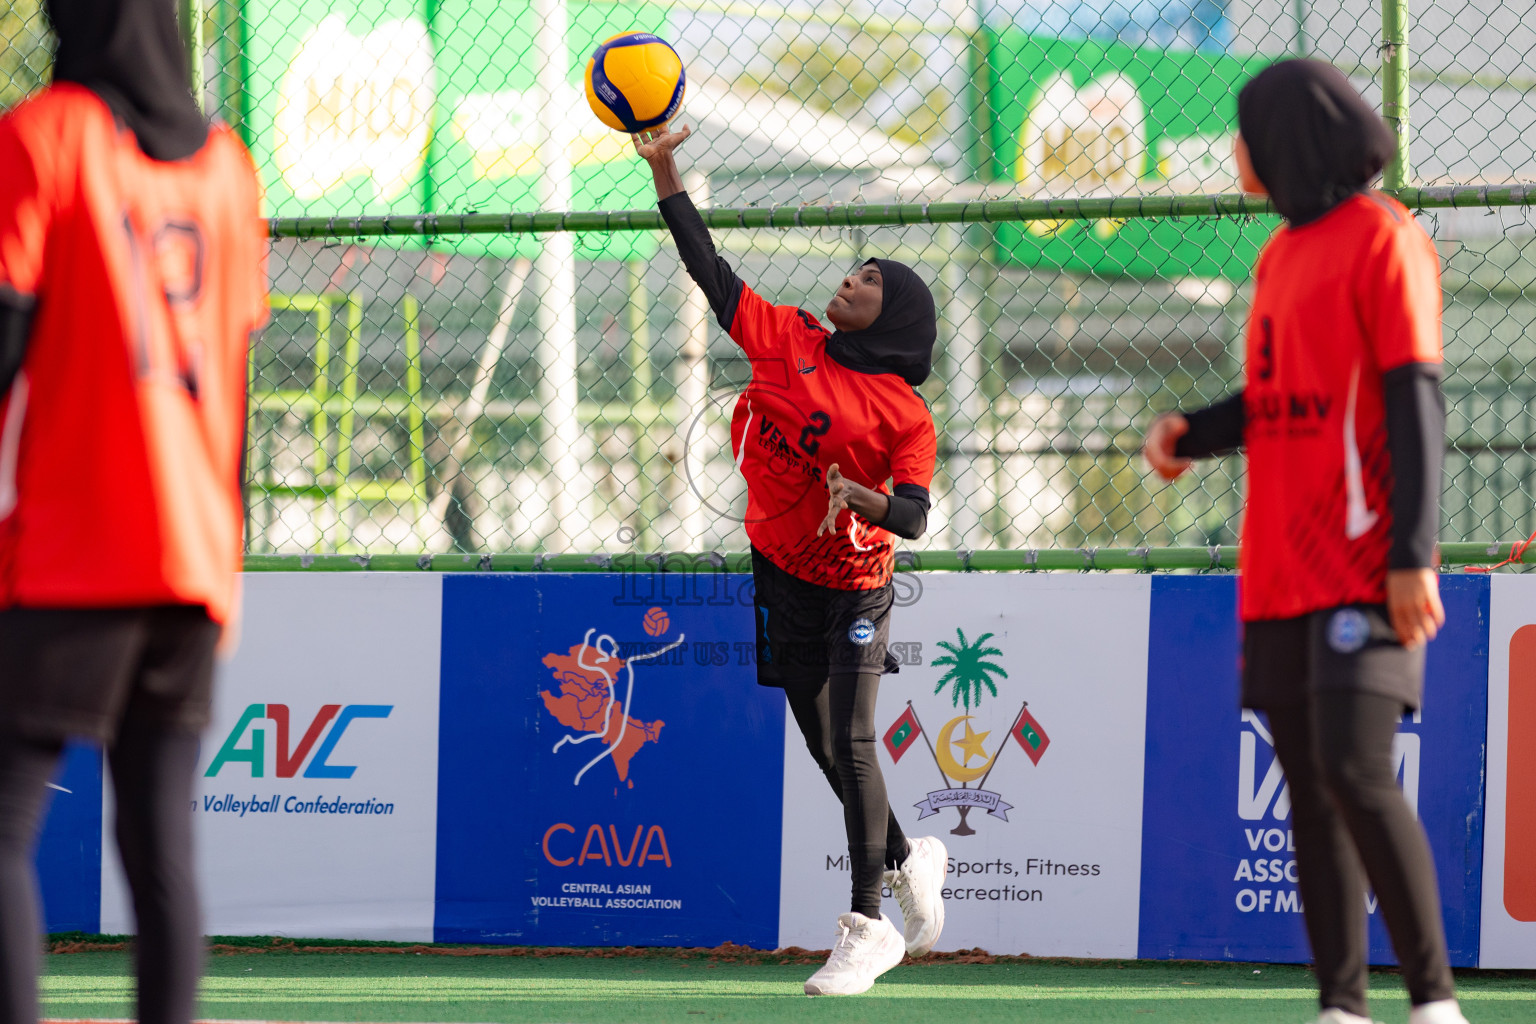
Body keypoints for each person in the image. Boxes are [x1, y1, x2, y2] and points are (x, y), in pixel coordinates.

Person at [1143, 59, 1466, 1024]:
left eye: (1242, 133)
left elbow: (1415, 392)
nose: (1233, 152)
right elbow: (1278, 398)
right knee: (1311, 796)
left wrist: (1414, 551)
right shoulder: (1280, 256)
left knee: (1360, 771)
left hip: (1364, 563)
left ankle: (1435, 1005)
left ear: (1285, 140)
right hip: (1278, 569)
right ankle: (1342, 1008)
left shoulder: (1385, 237)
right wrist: (1190, 434)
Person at [634, 121, 947, 996]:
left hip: (857, 587)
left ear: (899, 318)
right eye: (855, 271)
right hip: (779, 569)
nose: (852, 280)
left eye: (873, 281)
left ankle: (866, 928)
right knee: (818, 741)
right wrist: (665, 168)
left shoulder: (904, 416)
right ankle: (908, 854)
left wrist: (868, 501)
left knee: (852, 743)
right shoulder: (787, 339)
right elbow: (708, 268)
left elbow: (916, 516)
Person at [0, 1, 266, 1022]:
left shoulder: (49, 134)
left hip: (75, 546)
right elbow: (234, 389)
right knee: (159, 841)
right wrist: (226, 566)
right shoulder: (228, 166)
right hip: (194, 556)